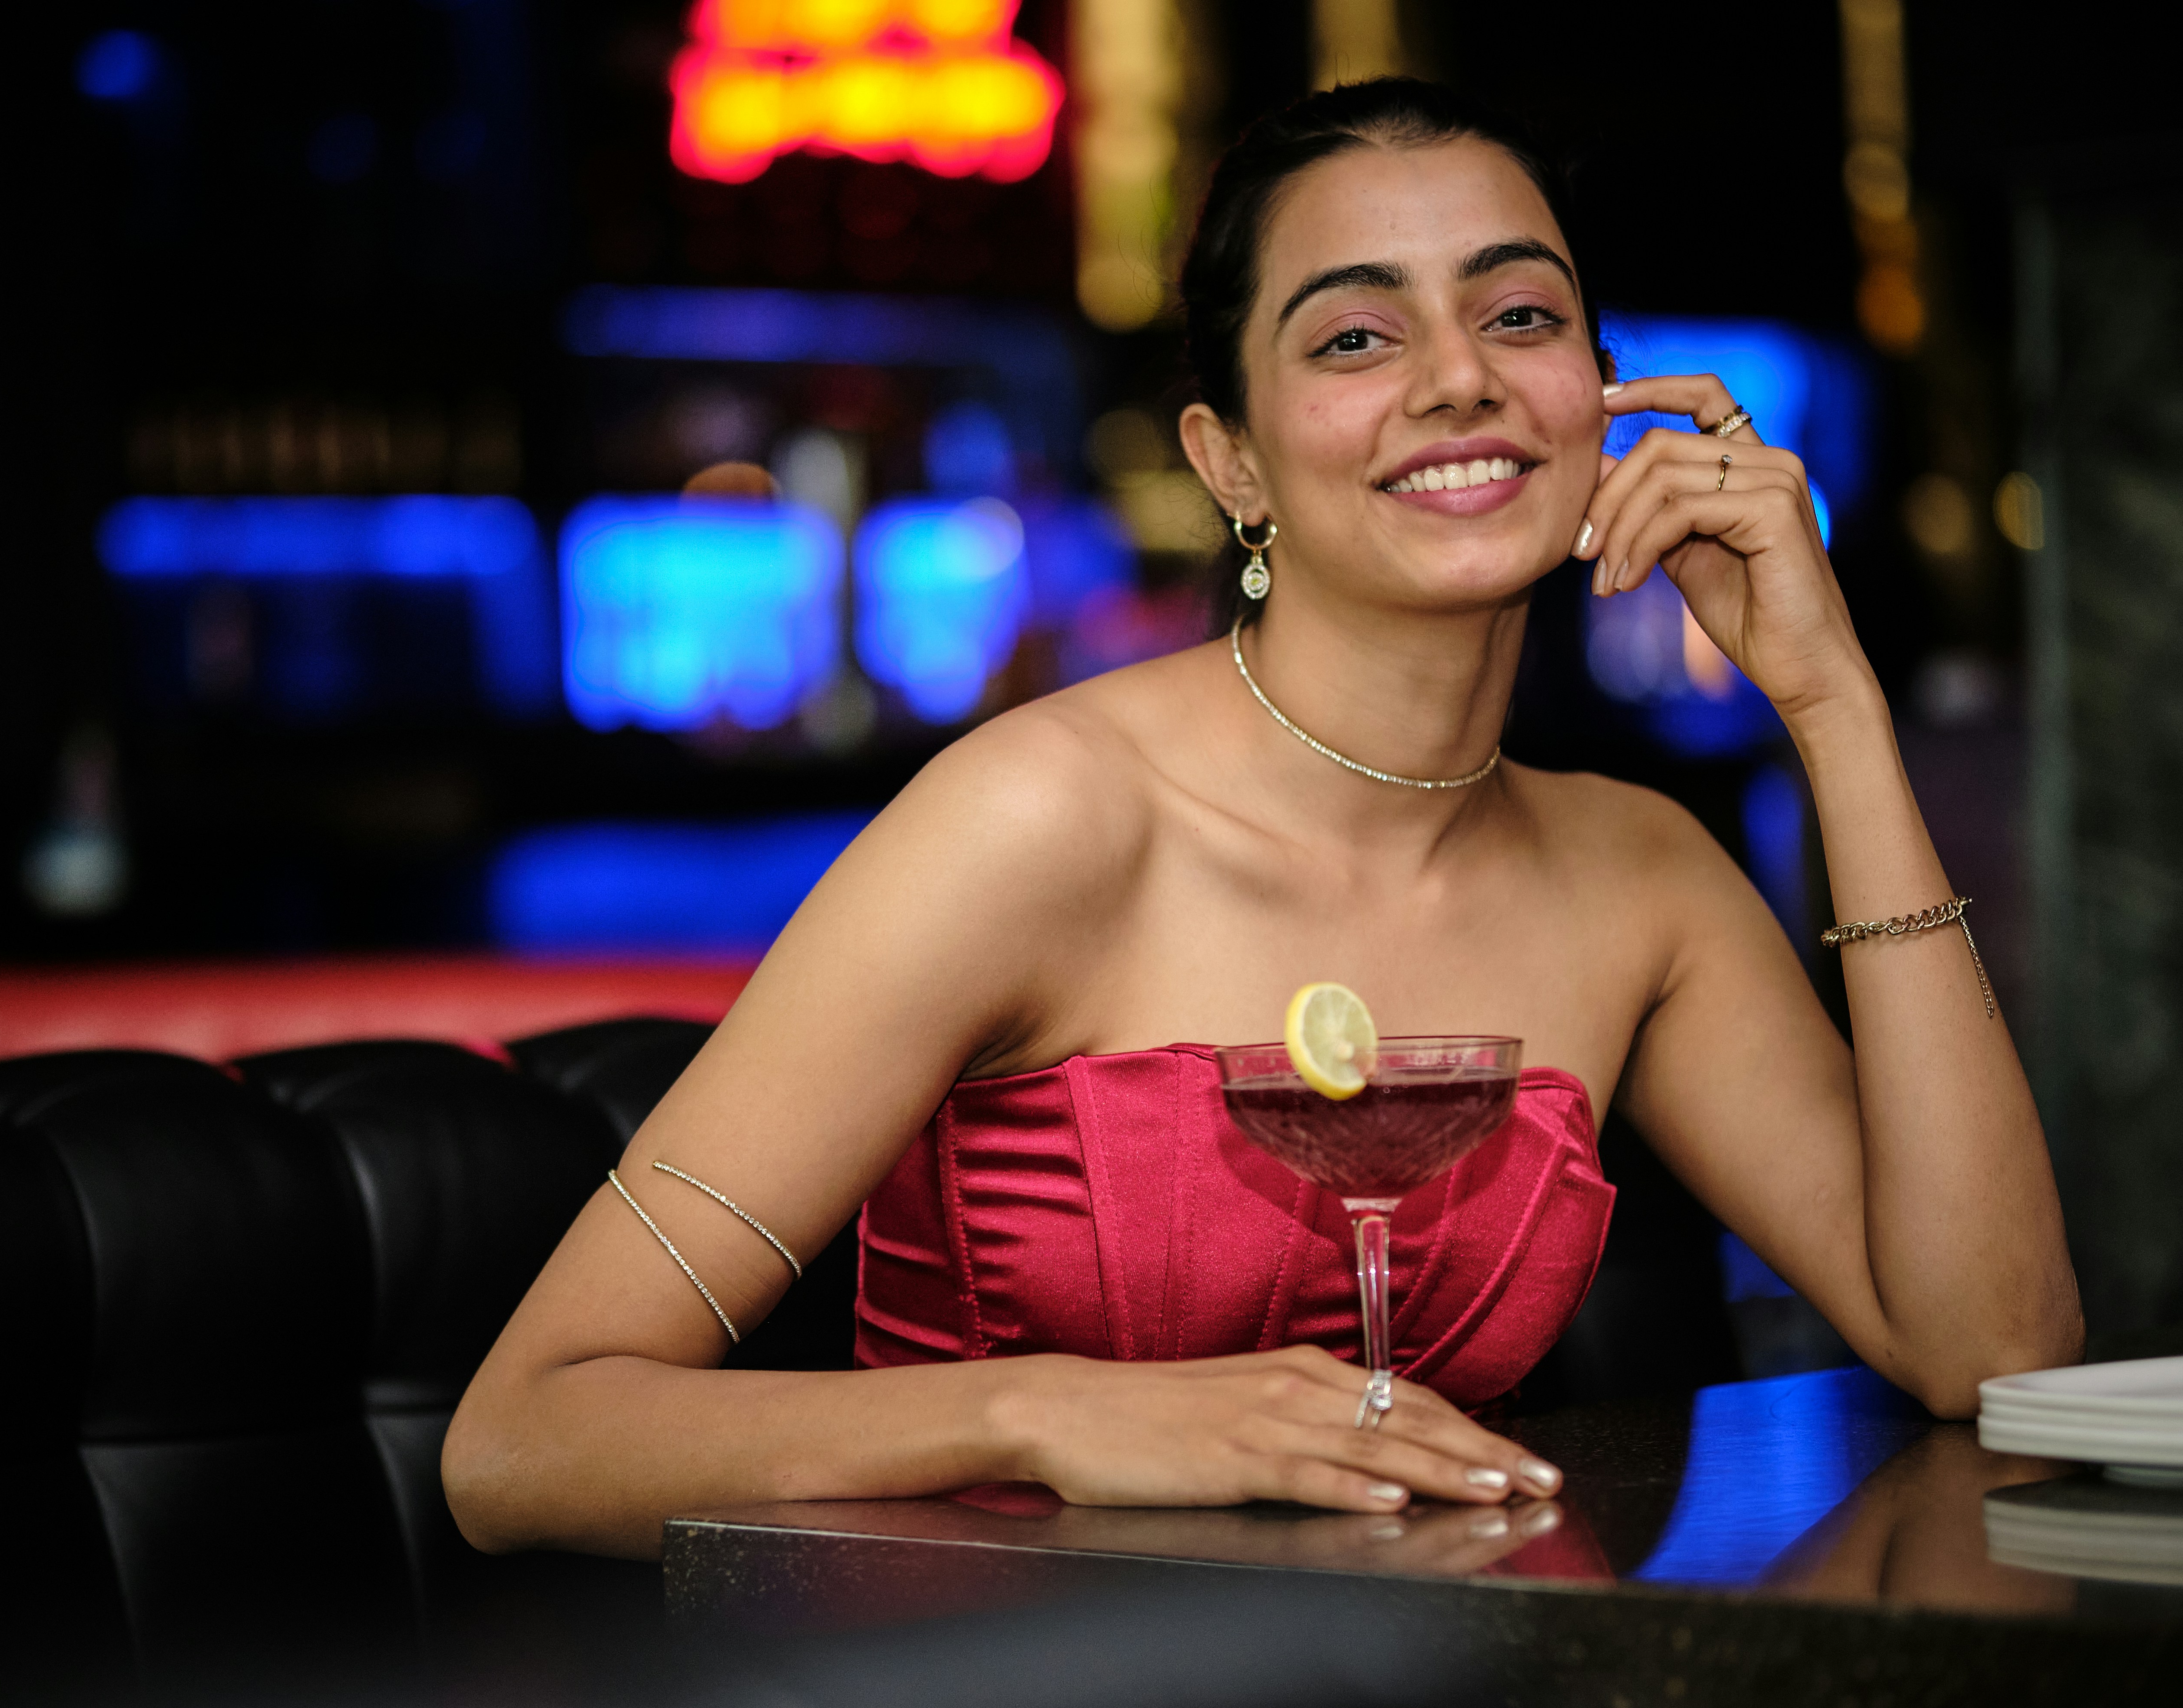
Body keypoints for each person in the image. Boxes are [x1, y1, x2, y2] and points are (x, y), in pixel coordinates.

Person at [445, 80, 2083, 1562]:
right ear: (1229, 460)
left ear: (1601, 395)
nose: (1456, 380)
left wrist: (1833, 703)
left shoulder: (1636, 872)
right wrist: (1045, 1411)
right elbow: (525, 1438)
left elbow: (1993, 1356)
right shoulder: (1037, 817)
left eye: (1518, 314)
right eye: (1354, 339)